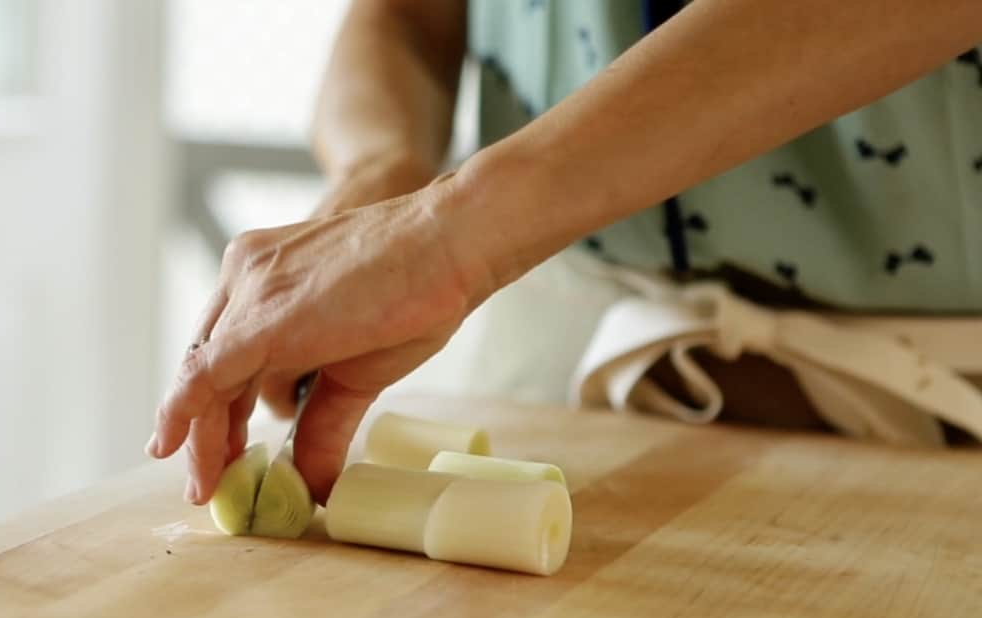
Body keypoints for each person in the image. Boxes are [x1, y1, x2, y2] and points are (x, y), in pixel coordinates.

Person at [145, 0, 982, 505]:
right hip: (561, 385)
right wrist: (383, 175)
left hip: (949, 426)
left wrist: (450, 230)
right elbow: (406, 16)